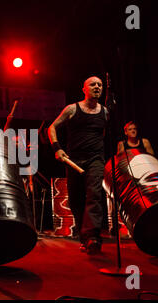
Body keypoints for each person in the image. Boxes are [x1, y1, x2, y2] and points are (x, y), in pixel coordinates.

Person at [48, 76, 108, 255]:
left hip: (95, 159)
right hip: (74, 160)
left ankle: (93, 237)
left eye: (100, 84)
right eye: (93, 84)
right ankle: (85, 238)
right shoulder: (72, 109)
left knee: (94, 194)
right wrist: (57, 149)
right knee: (76, 199)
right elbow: (51, 128)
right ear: (84, 89)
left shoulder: (104, 111)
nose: (97, 86)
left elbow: (102, 134)